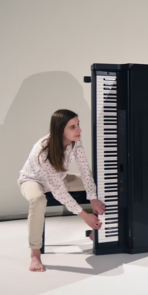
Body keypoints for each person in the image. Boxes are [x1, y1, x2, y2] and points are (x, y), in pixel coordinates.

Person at [18, 109, 105, 272]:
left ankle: (98, 231)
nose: (79, 130)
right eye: (72, 127)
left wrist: (92, 197)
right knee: (38, 200)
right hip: (33, 180)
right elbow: (58, 191)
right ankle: (35, 254)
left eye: (78, 124)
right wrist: (85, 216)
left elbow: (84, 169)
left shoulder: (75, 141)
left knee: (101, 182)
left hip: (60, 178)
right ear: (60, 130)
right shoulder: (43, 150)